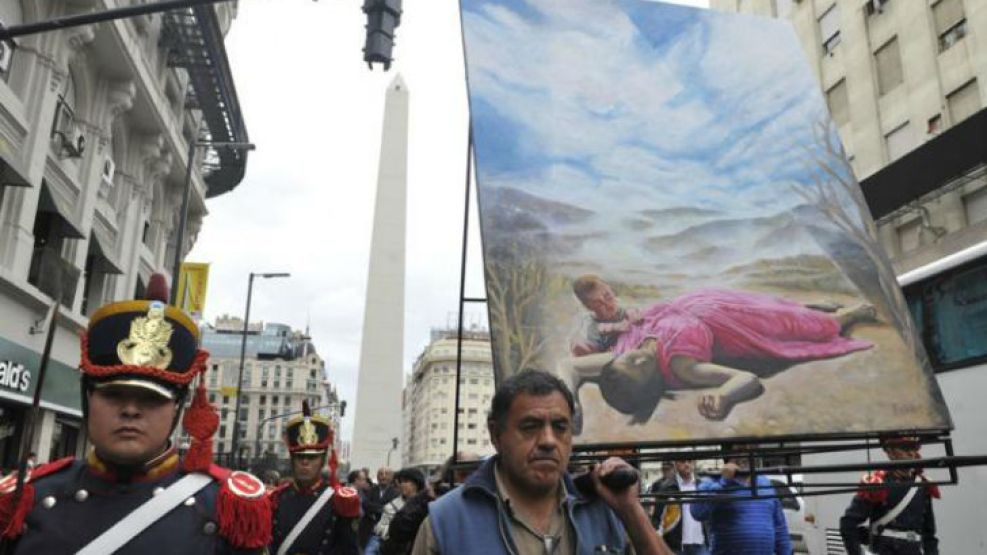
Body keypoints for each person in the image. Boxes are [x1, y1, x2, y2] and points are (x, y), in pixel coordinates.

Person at [0, 274, 272, 553]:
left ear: (177, 407)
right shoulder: (26, 498)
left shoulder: (224, 508)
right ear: (88, 397)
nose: (130, 410)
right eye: (113, 395)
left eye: (152, 399)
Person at [411, 369, 672, 554]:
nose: (548, 440)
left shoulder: (606, 512)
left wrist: (631, 511)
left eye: (560, 427)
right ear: (496, 435)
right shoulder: (446, 522)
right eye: (530, 426)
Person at [568, 275, 877, 422]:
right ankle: (845, 316)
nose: (632, 357)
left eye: (624, 359)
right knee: (799, 325)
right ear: (650, 382)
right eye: (637, 366)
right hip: (732, 324)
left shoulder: (619, 359)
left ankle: (807, 306)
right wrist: (725, 396)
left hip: (703, 301)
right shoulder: (682, 366)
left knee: (774, 306)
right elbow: (747, 379)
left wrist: (573, 401)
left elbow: (570, 368)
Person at [268, 401, 359, 555]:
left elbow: (348, 549)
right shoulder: (275, 498)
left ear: (323, 460)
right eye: (300, 456)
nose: (305, 462)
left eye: (312, 457)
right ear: (292, 459)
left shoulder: (339, 501)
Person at [839, 436, 939, 555]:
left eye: (913, 448)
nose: (910, 453)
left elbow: (929, 535)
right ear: (890, 452)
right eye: (904, 448)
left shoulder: (923, 486)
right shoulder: (877, 483)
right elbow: (848, 524)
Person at [690, 447, 792, 555]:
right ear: (727, 456)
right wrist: (724, 482)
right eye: (738, 450)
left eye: (747, 449)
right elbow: (697, 512)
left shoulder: (765, 483)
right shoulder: (713, 481)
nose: (743, 455)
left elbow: (780, 529)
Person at [653, 460, 708, 555]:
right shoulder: (667, 488)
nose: (686, 464)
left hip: (700, 543)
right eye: (682, 461)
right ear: (675, 464)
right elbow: (658, 518)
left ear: (694, 463)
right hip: (676, 546)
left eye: (689, 461)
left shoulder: (702, 485)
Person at [374, 468, 423, 551]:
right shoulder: (391, 506)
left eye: (406, 481)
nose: (402, 485)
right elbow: (380, 528)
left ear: (416, 484)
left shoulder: (425, 503)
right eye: (401, 482)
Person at [363, 467, 400, 554]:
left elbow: (392, 510)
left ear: (392, 477)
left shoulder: (396, 493)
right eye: (381, 474)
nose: (383, 477)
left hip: (386, 533)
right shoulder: (371, 490)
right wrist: (383, 508)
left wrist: (376, 508)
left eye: (386, 474)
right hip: (369, 530)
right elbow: (366, 504)